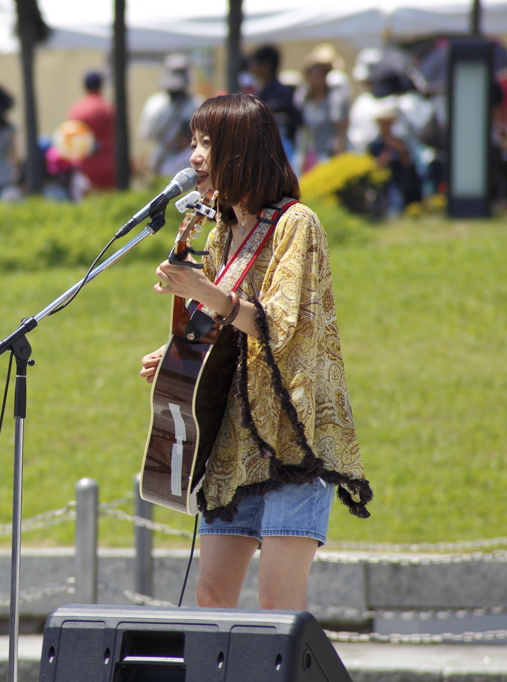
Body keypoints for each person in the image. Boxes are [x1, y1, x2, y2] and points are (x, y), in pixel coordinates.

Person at [139, 93, 373, 611]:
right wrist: (180, 353)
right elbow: (231, 326)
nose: (195, 155)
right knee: (211, 596)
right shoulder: (223, 231)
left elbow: (282, 326)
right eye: (194, 141)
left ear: (241, 149)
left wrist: (202, 291)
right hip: (234, 444)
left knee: (277, 608)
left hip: (293, 437)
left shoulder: (297, 223)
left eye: (208, 143)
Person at [139, 53, 202, 179]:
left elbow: (148, 134)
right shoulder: (198, 104)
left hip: (180, 160)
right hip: (169, 161)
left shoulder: (154, 103)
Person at [294, 44, 349, 175]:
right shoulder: (303, 98)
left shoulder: (335, 98)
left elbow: (340, 132)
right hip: (308, 156)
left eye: (319, 74)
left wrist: (337, 162)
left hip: (327, 156)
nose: (315, 78)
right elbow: (302, 130)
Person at [248, 45, 301, 163]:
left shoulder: (284, 92)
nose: (251, 67)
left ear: (266, 66)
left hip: (281, 149)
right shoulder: (260, 92)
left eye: (255, 63)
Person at [367, 104, 422, 217]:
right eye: (383, 123)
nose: (386, 126)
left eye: (388, 123)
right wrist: (383, 159)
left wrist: (400, 150)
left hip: (398, 181)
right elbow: (371, 167)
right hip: (382, 184)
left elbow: (407, 163)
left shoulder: (399, 142)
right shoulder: (374, 145)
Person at [67, 70, 115, 190]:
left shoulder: (77, 109)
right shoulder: (109, 108)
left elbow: (70, 138)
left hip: (84, 167)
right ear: (101, 86)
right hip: (109, 166)